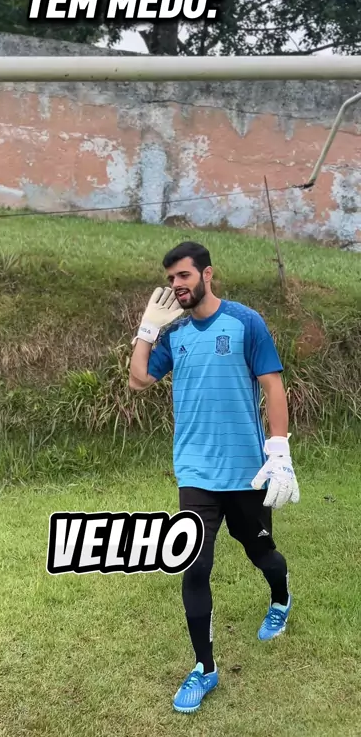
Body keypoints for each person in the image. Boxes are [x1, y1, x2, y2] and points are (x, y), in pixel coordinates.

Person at [128, 241, 299, 714]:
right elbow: (138, 379)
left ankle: (281, 597)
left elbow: (273, 385)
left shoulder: (246, 322)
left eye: (183, 276)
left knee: (262, 552)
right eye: (170, 279)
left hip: (245, 473)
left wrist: (279, 451)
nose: (176, 286)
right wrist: (147, 328)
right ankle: (204, 668)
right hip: (196, 473)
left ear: (207, 274)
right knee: (194, 566)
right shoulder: (174, 333)